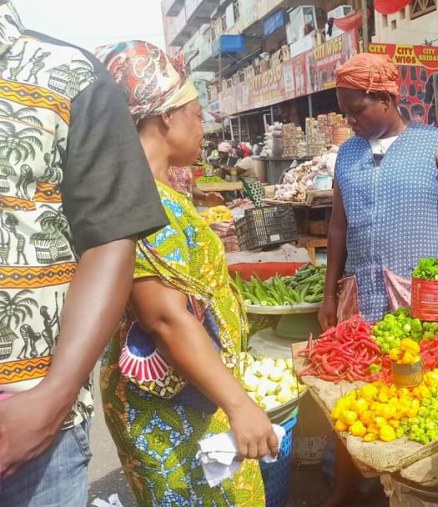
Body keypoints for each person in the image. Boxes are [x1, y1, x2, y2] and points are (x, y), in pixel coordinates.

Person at [0, 3, 170, 505]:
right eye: (196, 115)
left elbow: (110, 240)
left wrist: (51, 401)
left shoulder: (65, 75)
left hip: (26, 424)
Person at [95, 41, 275, 506]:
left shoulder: (134, 189)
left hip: (182, 391)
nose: (203, 126)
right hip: (172, 404)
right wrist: (240, 404)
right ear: (165, 117)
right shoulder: (139, 200)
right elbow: (165, 318)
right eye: (197, 114)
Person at [316, 52, 438, 507]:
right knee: (356, 396)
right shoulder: (347, 154)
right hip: (362, 296)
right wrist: (329, 293)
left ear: (386, 98)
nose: (351, 121)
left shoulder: (435, 145)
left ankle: (416, 490)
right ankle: (346, 492)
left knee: (419, 392)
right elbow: (338, 227)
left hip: (423, 299)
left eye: (357, 110)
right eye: (345, 112)